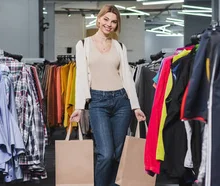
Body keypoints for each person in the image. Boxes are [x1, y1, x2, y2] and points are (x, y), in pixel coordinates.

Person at [69, 4, 146, 186]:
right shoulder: (83, 44)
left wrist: (135, 106)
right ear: (98, 19)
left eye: (113, 21)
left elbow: (126, 77)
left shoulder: (119, 46)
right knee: (106, 154)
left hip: (121, 102)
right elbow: (80, 77)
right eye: (106, 19)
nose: (109, 24)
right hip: (98, 102)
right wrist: (79, 106)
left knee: (118, 154)